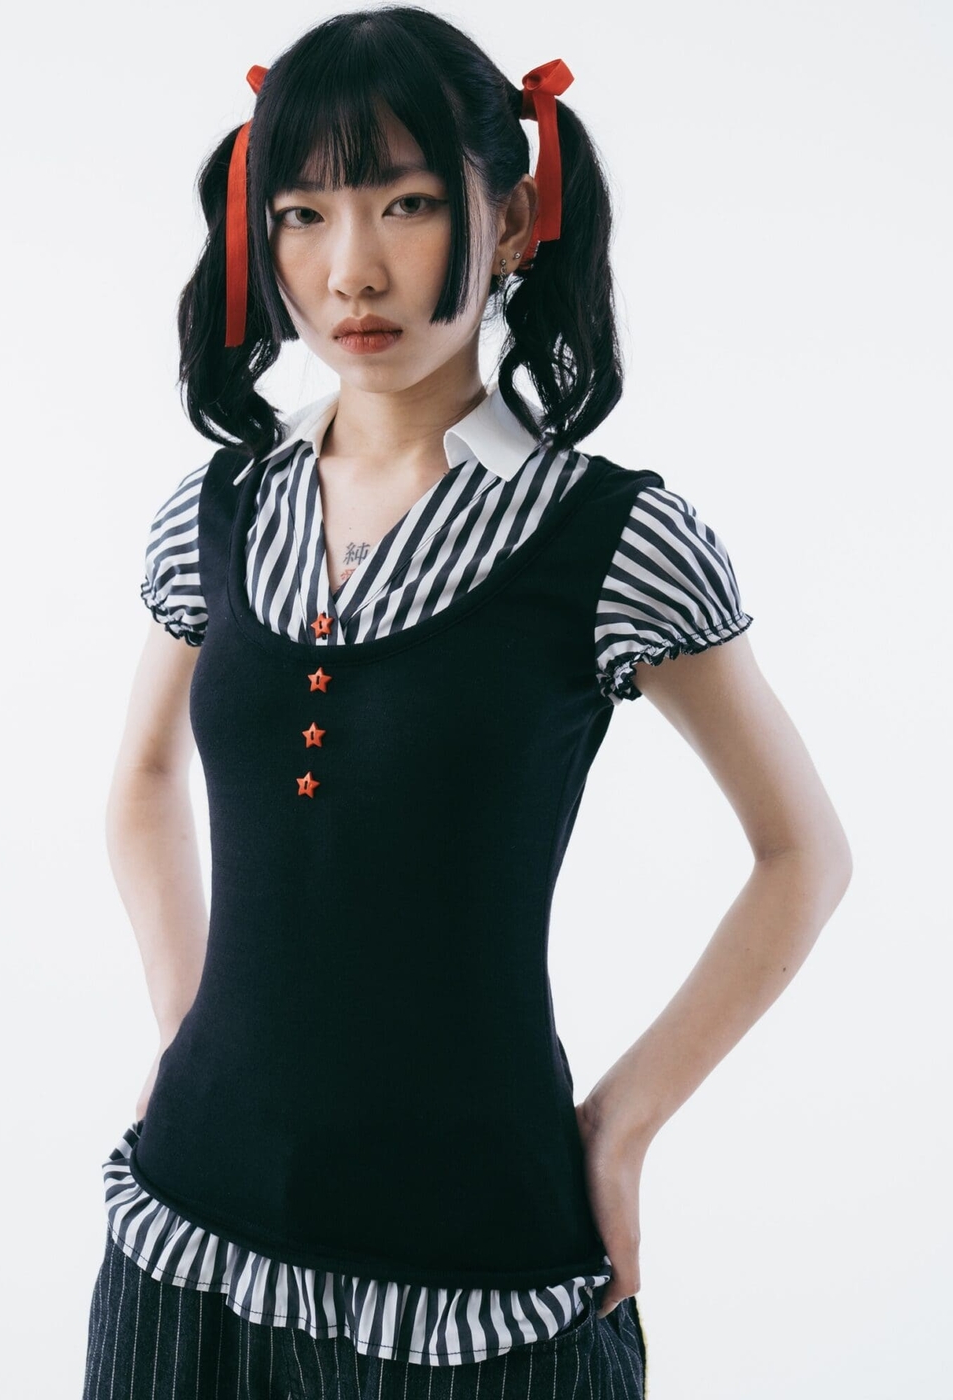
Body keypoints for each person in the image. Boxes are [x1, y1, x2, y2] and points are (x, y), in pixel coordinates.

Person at [82, 8, 852, 1398]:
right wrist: (185, 1023)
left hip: (477, 1287)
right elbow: (141, 778)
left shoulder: (612, 537)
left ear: (513, 222)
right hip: (180, 1248)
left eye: (410, 203)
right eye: (304, 213)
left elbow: (803, 853)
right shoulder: (215, 512)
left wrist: (622, 1126)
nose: (353, 268)